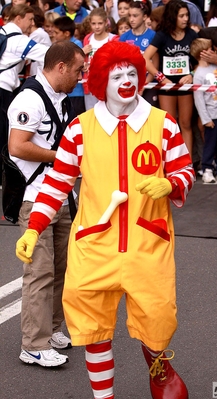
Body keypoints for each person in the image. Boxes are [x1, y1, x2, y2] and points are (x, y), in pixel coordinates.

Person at [15, 40, 194, 398]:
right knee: (94, 329)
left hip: (148, 242)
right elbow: (56, 183)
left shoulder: (163, 124)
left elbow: (185, 170)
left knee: (158, 320)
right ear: (100, 82)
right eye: (117, 75)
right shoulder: (79, 129)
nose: (126, 81)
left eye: (132, 73)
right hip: (95, 244)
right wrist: (34, 228)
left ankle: (158, 365)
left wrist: (171, 182)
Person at [8, 40, 85, 367]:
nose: (81, 77)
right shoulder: (29, 97)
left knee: (61, 270)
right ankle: (33, 344)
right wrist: (62, 157)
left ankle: (51, 330)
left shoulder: (62, 98)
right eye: (79, 70)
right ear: (62, 66)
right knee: (39, 272)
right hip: (35, 196)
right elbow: (17, 146)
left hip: (62, 195)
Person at [0, 4, 49, 185]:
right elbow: (47, 54)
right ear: (18, 18)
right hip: (4, 90)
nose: (31, 24)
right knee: (4, 135)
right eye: (29, 19)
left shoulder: (2, 32)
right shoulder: (19, 40)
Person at [143, 0, 198, 158]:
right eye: (181, 16)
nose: (185, 19)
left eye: (186, 15)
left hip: (185, 85)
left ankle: (187, 162)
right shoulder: (162, 36)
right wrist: (161, 78)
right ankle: (169, 161)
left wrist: (191, 74)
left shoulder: (192, 35)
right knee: (169, 123)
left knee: (186, 124)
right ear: (172, 17)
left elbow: (200, 60)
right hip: (166, 86)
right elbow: (145, 58)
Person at [190, 38, 217, 183]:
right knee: (210, 144)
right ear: (202, 53)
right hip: (212, 116)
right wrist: (205, 119)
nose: (213, 51)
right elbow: (199, 99)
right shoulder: (199, 74)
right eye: (210, 49)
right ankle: (207, 168)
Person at [82, 7, 119, 110]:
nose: (97, 27)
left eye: (100, 23)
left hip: (108, 84)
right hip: (90, 84)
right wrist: (83, 62)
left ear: (106, 22)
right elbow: (84, 60)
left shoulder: (113, 39)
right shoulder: (87, 39)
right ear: (89, 23)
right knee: (91, 115)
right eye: (93, 24)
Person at [53, 16, 86, 115]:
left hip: (76, 93)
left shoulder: (77, 44)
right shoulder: (57, 45)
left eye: (57, 33)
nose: (54, 35)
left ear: (66, 33)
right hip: (62, 92)